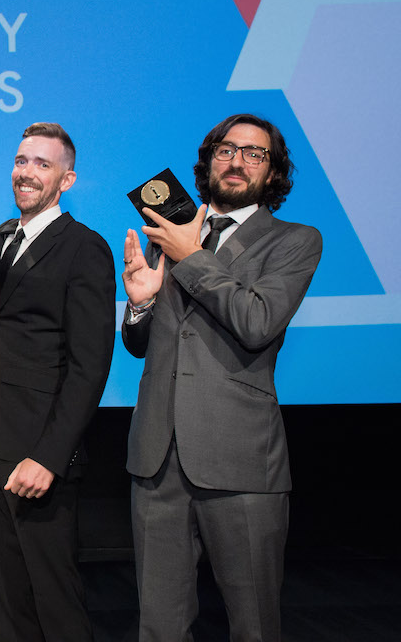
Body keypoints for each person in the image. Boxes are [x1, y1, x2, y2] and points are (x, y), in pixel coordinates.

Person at [121, 113, 322, 642]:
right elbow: (143, 347)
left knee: (253, 625)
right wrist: (138, 307)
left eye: (255, 154)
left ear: (272, 172)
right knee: (158, 627)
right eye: (227, 149)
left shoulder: (295, 241)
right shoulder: (167, 239)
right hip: (157, 460)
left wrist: (191, 256)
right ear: (209, 160)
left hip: (242, 462)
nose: (237, 161)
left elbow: (256, 322)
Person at [0, 122, 116, 642]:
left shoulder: (85, 248)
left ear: (67, 180)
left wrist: (50, 458)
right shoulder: (3, 238)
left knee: (54, 597)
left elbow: (89, 365)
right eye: (21, 161)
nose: (25, 173)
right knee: (8, 595)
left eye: (42, 164)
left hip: (38, 454)